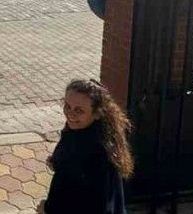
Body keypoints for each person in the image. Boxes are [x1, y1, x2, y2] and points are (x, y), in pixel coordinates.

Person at [43, 79, 132, 214]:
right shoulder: (78, 131)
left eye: (79, 110)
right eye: (67, 106)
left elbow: (97, 206)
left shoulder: (98, 152)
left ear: (97, 113)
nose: (70, 114)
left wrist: (47, 209)